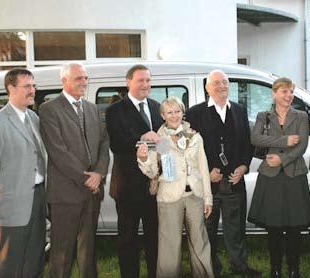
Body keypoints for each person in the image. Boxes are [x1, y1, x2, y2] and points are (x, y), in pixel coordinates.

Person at [185, 70, 260, 278]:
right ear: (207, 88)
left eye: (225, 82)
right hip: (207, 184)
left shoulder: (239, 110)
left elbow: (248, 143)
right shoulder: (193, 114)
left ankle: (240, 266)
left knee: (236, 230)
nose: (221, 86)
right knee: (206, 231)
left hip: (234, 182)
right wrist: (206, 172)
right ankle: (211, 268)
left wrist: (244, 166)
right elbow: (188, 150)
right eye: (216, 83)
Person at [39, 62, 109, 278]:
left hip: (92, 192)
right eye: (79, 78)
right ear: (64, 81)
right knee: (62, 253)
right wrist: (85, 178)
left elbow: (103, 145)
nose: (84, 82)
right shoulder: (49, 109)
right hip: (66, 193)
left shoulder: (92, 109)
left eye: (86, 78)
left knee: (88, 250)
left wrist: (98, 174)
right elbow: (58, 151)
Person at [0, 68, 46, 277]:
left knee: (35, 258)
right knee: (10, 263)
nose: (32, 90)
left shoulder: (33, 117)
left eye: (33, 86)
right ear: (11, 89)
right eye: (27, 86)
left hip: (37, 197)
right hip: (11, 206)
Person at [136, 96, 213, 277]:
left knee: (200, 242)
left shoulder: (194, 135)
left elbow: (203, 168)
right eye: (169, 112)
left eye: (177, 111)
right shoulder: (159, 139)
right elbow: (153, 170)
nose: (174, 115)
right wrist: (144, 158)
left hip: (195, 195)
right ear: (162, 115)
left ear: (182, 112)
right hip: (169, 197)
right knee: (169, 245)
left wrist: (208, 199)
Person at [248, 77, 310, 278]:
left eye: (291, 92)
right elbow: (255, 138)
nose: (288, 95)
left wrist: (282, 159)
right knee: (274, 227)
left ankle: (294, 269)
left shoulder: (301, 116)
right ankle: (275, 269)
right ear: (274, 93)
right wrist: (285, 140)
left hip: (294, 174)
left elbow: (302, 146)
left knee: (295, 228)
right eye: (284, 91)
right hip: (270, 176)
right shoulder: (263, 116)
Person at [106, 64, 163, 278]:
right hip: (128, 187)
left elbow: (163, 145)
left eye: (148, 80)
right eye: (140, 80)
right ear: (128, 82)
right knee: (128, 240)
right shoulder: (115, 110)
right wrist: (142, 139)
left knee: (154, 239)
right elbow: (116, 143)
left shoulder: (157, 107)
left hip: (154, 187)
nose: (145, 85)